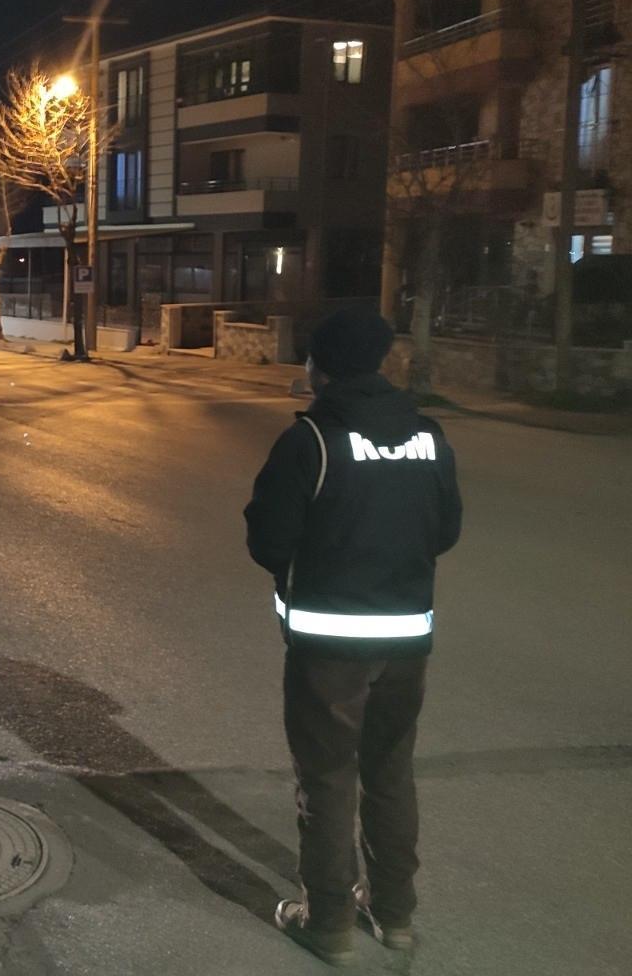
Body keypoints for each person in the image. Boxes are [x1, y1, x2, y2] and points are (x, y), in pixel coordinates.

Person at [244, 306, 462, 966]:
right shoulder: (427, 435)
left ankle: (329, 921)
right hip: (406, 642)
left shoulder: (310, 440)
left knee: (329, 778)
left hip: (330, 648)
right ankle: (394, 915)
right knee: (390, 773)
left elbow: (267, 539)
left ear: (321, 368)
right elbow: (445, 530)